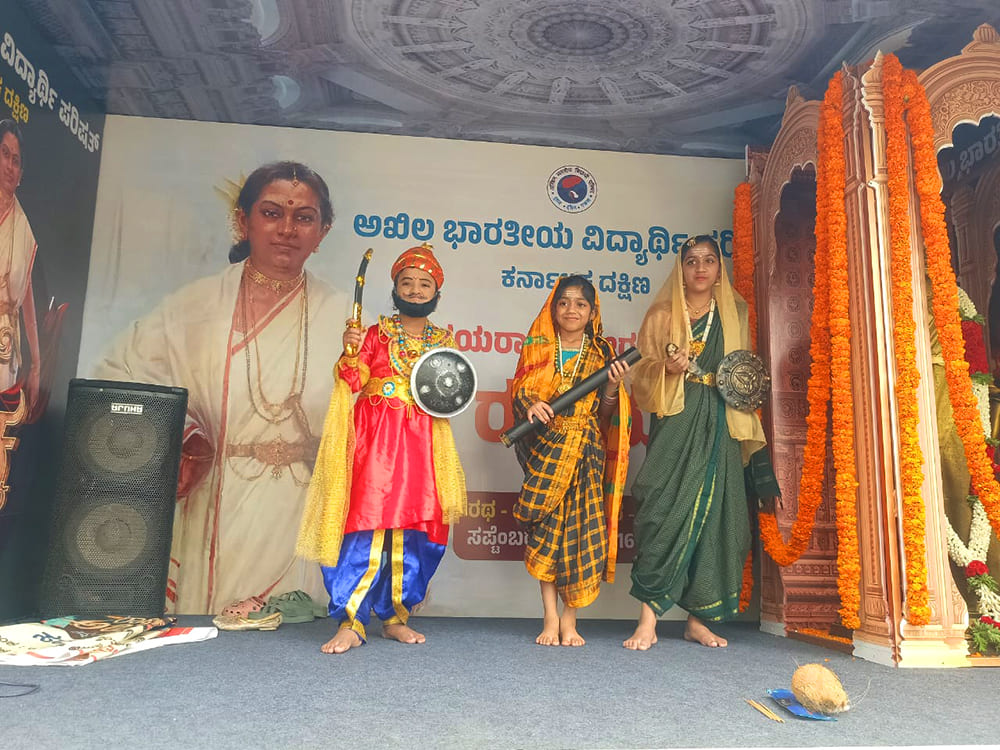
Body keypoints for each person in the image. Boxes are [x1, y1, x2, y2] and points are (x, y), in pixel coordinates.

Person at [93, 161, 345, 616]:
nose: (287, 229)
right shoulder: (197, 304)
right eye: (271, 213)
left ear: (323, 231)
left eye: (304, 218)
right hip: (217, 496)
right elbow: (119, 373)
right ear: (242, 219)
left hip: (304, 507)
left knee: (294, 642)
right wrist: (181, 433)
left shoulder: (346, 317)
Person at [297, 243, 468, 654]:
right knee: (366, 521)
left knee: (416, 527)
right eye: (406, 282)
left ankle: (395, 616)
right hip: (375, 441)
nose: (414, 289)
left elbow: (454, 392)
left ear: (436, 292)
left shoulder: (445, 341)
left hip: (423, 444)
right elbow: (352, 380)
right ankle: (351, 620)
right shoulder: (375, 334)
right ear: (394, 289)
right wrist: (350, 351)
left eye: (424, 283)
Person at [624, 234, 769, 650]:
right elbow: (642, 376)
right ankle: (648, 620)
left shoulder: (735, 312)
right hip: (678, 420)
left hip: (722, 422)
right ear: (680, 269)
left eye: (709, 260)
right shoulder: (661, 315)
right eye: (691, 261)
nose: (701, 268)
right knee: (662, 507)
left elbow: (745, 373)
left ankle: (698, 618)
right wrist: (668, 369)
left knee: (718, 515)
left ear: (719, 268)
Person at [510, 275, 632, 646]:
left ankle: (569, 620)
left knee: (579, 536)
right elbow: (522, 393)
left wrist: (611, 387)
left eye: (581, 304)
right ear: (553, 307)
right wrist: (531, 403)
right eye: (564, 302)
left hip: (586, 454)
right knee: (547, 533)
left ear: (593, 312)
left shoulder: (601, 354)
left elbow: (606, 415)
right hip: (546, 449)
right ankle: (548, 618)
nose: (572, 310)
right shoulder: (537, 349)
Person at [0, 119, 41, 409]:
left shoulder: (24, 231)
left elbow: (25, 297)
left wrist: (37, 364)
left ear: (21, 173)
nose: (9, 166)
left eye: (15, 160)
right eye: (4, 153)